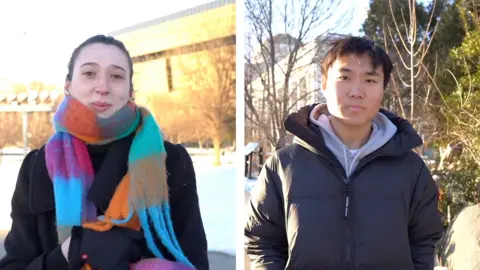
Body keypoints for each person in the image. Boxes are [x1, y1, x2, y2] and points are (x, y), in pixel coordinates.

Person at [0, 35, 209, 270]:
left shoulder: (170, 161)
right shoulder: (38, 165)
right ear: (68, 86)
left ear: (130, 90)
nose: (102, 87)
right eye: (89, 73)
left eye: (116, 76)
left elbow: (196, 261)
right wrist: (69, 253)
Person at [244, 36, 444, 269]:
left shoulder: (410, 168)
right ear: (325, 83)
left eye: (370, 79)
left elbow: (424, 241)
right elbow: (262, 240)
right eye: (345, 78)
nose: (357, 91)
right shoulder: (284, 165)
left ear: (383, 88)